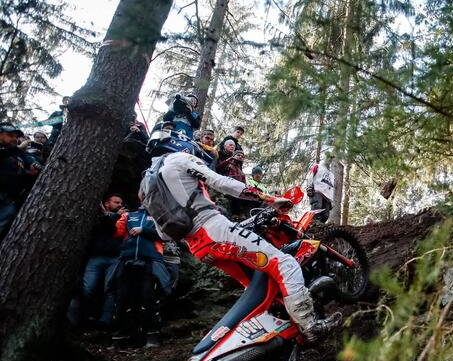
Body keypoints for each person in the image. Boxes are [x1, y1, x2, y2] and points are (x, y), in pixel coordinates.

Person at [143, 138, 341, 342]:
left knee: (256, 288)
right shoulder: (179, 158)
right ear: (181, 146)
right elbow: (221, 182)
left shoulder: (147, 184)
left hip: (198, 247)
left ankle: (277, 337)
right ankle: (311, 327)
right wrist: (269, 199)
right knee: (286, 265)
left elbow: (164, 234)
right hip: (215, 229)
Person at [111, 198, 170, 349]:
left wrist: (143, 230)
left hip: (150, 260)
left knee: (149, 298)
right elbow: (116, 232)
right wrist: (111, 216)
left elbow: (166, 235)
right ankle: (120, 338)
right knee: (122, 299)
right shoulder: (129, 216)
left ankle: (152, 336)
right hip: (127, 260)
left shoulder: (159, 216)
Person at [66, 192, 125, 329]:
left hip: (115, 257)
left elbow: (114, 230)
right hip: (96, 257)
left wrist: (112, 216)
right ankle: (81, 320)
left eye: (121, 203)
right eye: (116, 202)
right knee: (87, 289)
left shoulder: (123, 218)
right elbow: (103, 228)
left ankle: (105, 322)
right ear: (107, 203)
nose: (120, 205)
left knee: (110, 289)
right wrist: (106, 215)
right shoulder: (95, 217)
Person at [0, 122, 41, 240]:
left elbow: (18, 179)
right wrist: (18, 149)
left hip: (11, 203)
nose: (14, 139)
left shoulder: (17, 156)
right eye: (10, 135)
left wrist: (30, 174)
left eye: (16, 136)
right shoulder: (10, 152)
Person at [305, 152, 336, 223]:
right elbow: (311, 176)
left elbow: (331, 187)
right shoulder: (317, 166)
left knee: (326, 215)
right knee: (316, 210)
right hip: (317, 191)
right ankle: (313, 225)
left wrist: (331, 200)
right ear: (324, 157)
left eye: (331, 158)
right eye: (328, 157)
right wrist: (309, 187)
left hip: (327, 196)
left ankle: (320, 227)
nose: (329, 159)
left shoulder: (331, 174)